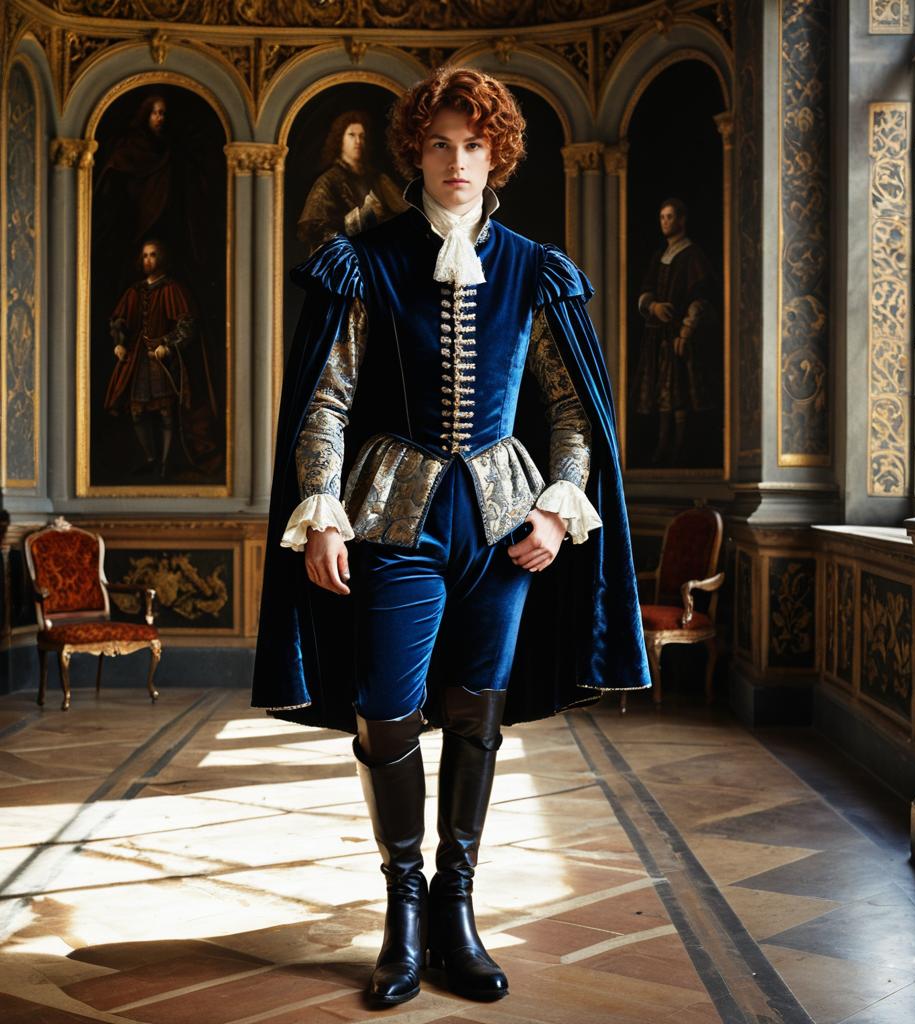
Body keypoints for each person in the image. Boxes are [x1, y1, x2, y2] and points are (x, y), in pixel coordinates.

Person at [252, 66, 650, 1007]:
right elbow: (328, 401)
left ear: (497, 152)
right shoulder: (369, 258)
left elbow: (570, 407)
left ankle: (455, 908)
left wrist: (558, 505)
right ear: (414, 152)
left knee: (477, 714)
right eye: (439, 142)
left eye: (474, 144)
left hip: (506, 528)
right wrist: (321, 507)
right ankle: (402, 909)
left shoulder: (533, 266)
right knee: (387, 712)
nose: (457, 160)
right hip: (393, 522)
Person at [103, 239, 212, 478]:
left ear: (161, 258)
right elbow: (119, 320)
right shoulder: (135, 291)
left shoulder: (172, 288)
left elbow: (187, 325)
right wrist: (119, 342)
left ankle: (164, 463)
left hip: (161, 358)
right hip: (137, 357)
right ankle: (151, 459)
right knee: (137, 411)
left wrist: (168, 344)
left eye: (152, 255)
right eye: (144, 256)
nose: (148, 260)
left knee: (165, 411)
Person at [629, 197, 720, 466]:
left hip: (682, 337)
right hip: (658, 337)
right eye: (662, 217)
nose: (666, 222)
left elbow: (702, 297)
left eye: (670, 217)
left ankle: (681, 448)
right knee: (663, 393)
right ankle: (663, 446)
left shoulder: (692, 255)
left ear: (681, 220)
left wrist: (686, 331)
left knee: (681, 392)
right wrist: (653, 306)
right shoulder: (660, 256)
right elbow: (645, 290)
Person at [297, 109, 407, 252]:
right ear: (340, 140)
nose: (358, 141)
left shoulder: (378, 179)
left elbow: (403, 217)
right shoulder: (328, 181)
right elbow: (313, 229)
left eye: (362, 136)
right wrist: (361, 217)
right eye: (351, 135)